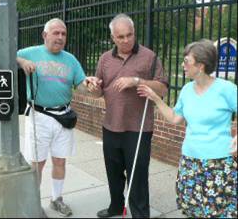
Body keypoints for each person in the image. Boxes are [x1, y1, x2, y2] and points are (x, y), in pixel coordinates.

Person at [137, 39, 237, 218]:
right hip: (190, 162)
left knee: (219, 212)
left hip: (219, 163)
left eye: (186, 61)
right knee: (193, 209)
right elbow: (175, 118)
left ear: (200, 65)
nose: (183, 65)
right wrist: (156, 98)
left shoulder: (227, 89)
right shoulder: (186, 90)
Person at [85, 14, 168, 218]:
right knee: (113, 173)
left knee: (137, 175)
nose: (125, 40)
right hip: (111, 125)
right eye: (120, 37)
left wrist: (137, 80)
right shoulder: (105, 58)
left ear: (134, 33)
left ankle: (140, 214)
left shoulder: (149, 57)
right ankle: (115, 206)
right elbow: (98, 91)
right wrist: (92, 87)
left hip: (138, 128)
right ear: (113, 37)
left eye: (129, 35)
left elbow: (163, 88)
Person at [17, 18, 93, 217]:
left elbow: (81, 84)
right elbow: (7, 56)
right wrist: (22, 61)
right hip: (39, 116)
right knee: (36, 164)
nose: (60, 37)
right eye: (56, 33)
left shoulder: (70, 59)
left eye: (63, 34)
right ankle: (33, 203)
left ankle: (56, 199)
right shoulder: (30, 52)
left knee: (60, 161)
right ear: (45, 35)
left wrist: (90, 83)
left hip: (63, 117)